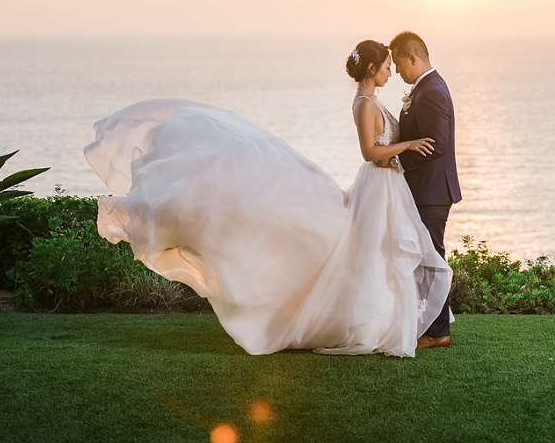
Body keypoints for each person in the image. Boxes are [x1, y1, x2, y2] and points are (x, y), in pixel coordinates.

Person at [83, 40, 451, 357]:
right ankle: (371, 324)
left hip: (389, 186)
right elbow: (370, 152)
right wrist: (408, 145)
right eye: (387, 67)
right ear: (372, 68)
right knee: (369, 252)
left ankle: (397, 321)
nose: (391, 73)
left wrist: (404, 147)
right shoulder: (363, 104)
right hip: (378, 181)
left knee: (381, 253)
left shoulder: (376, 99)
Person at [388, 31, 462, 349]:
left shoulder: (432, 91)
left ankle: (438, 332)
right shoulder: (424, 88)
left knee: (432, 257)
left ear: (413, 58)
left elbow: (435, 145)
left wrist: (397, 161)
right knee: (424, 255)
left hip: (432, 190)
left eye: (399, 64)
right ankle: (430, 325)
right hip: (425, 188)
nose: (397, 72)